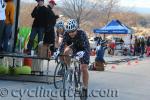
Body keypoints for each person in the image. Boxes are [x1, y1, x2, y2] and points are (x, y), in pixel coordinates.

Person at [57, 19, 90, 99]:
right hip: (74, 47)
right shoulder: (66, 34)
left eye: (73, 31)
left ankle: (85, 88)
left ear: (76, 29)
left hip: (83, 49)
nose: (71, 33)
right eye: (69, 31)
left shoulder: (82, 33)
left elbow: (87, 47)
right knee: (66, 51)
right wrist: (58, 52)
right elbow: (62, 45)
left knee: (83, 68)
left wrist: (84, 53)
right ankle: (69, 68)